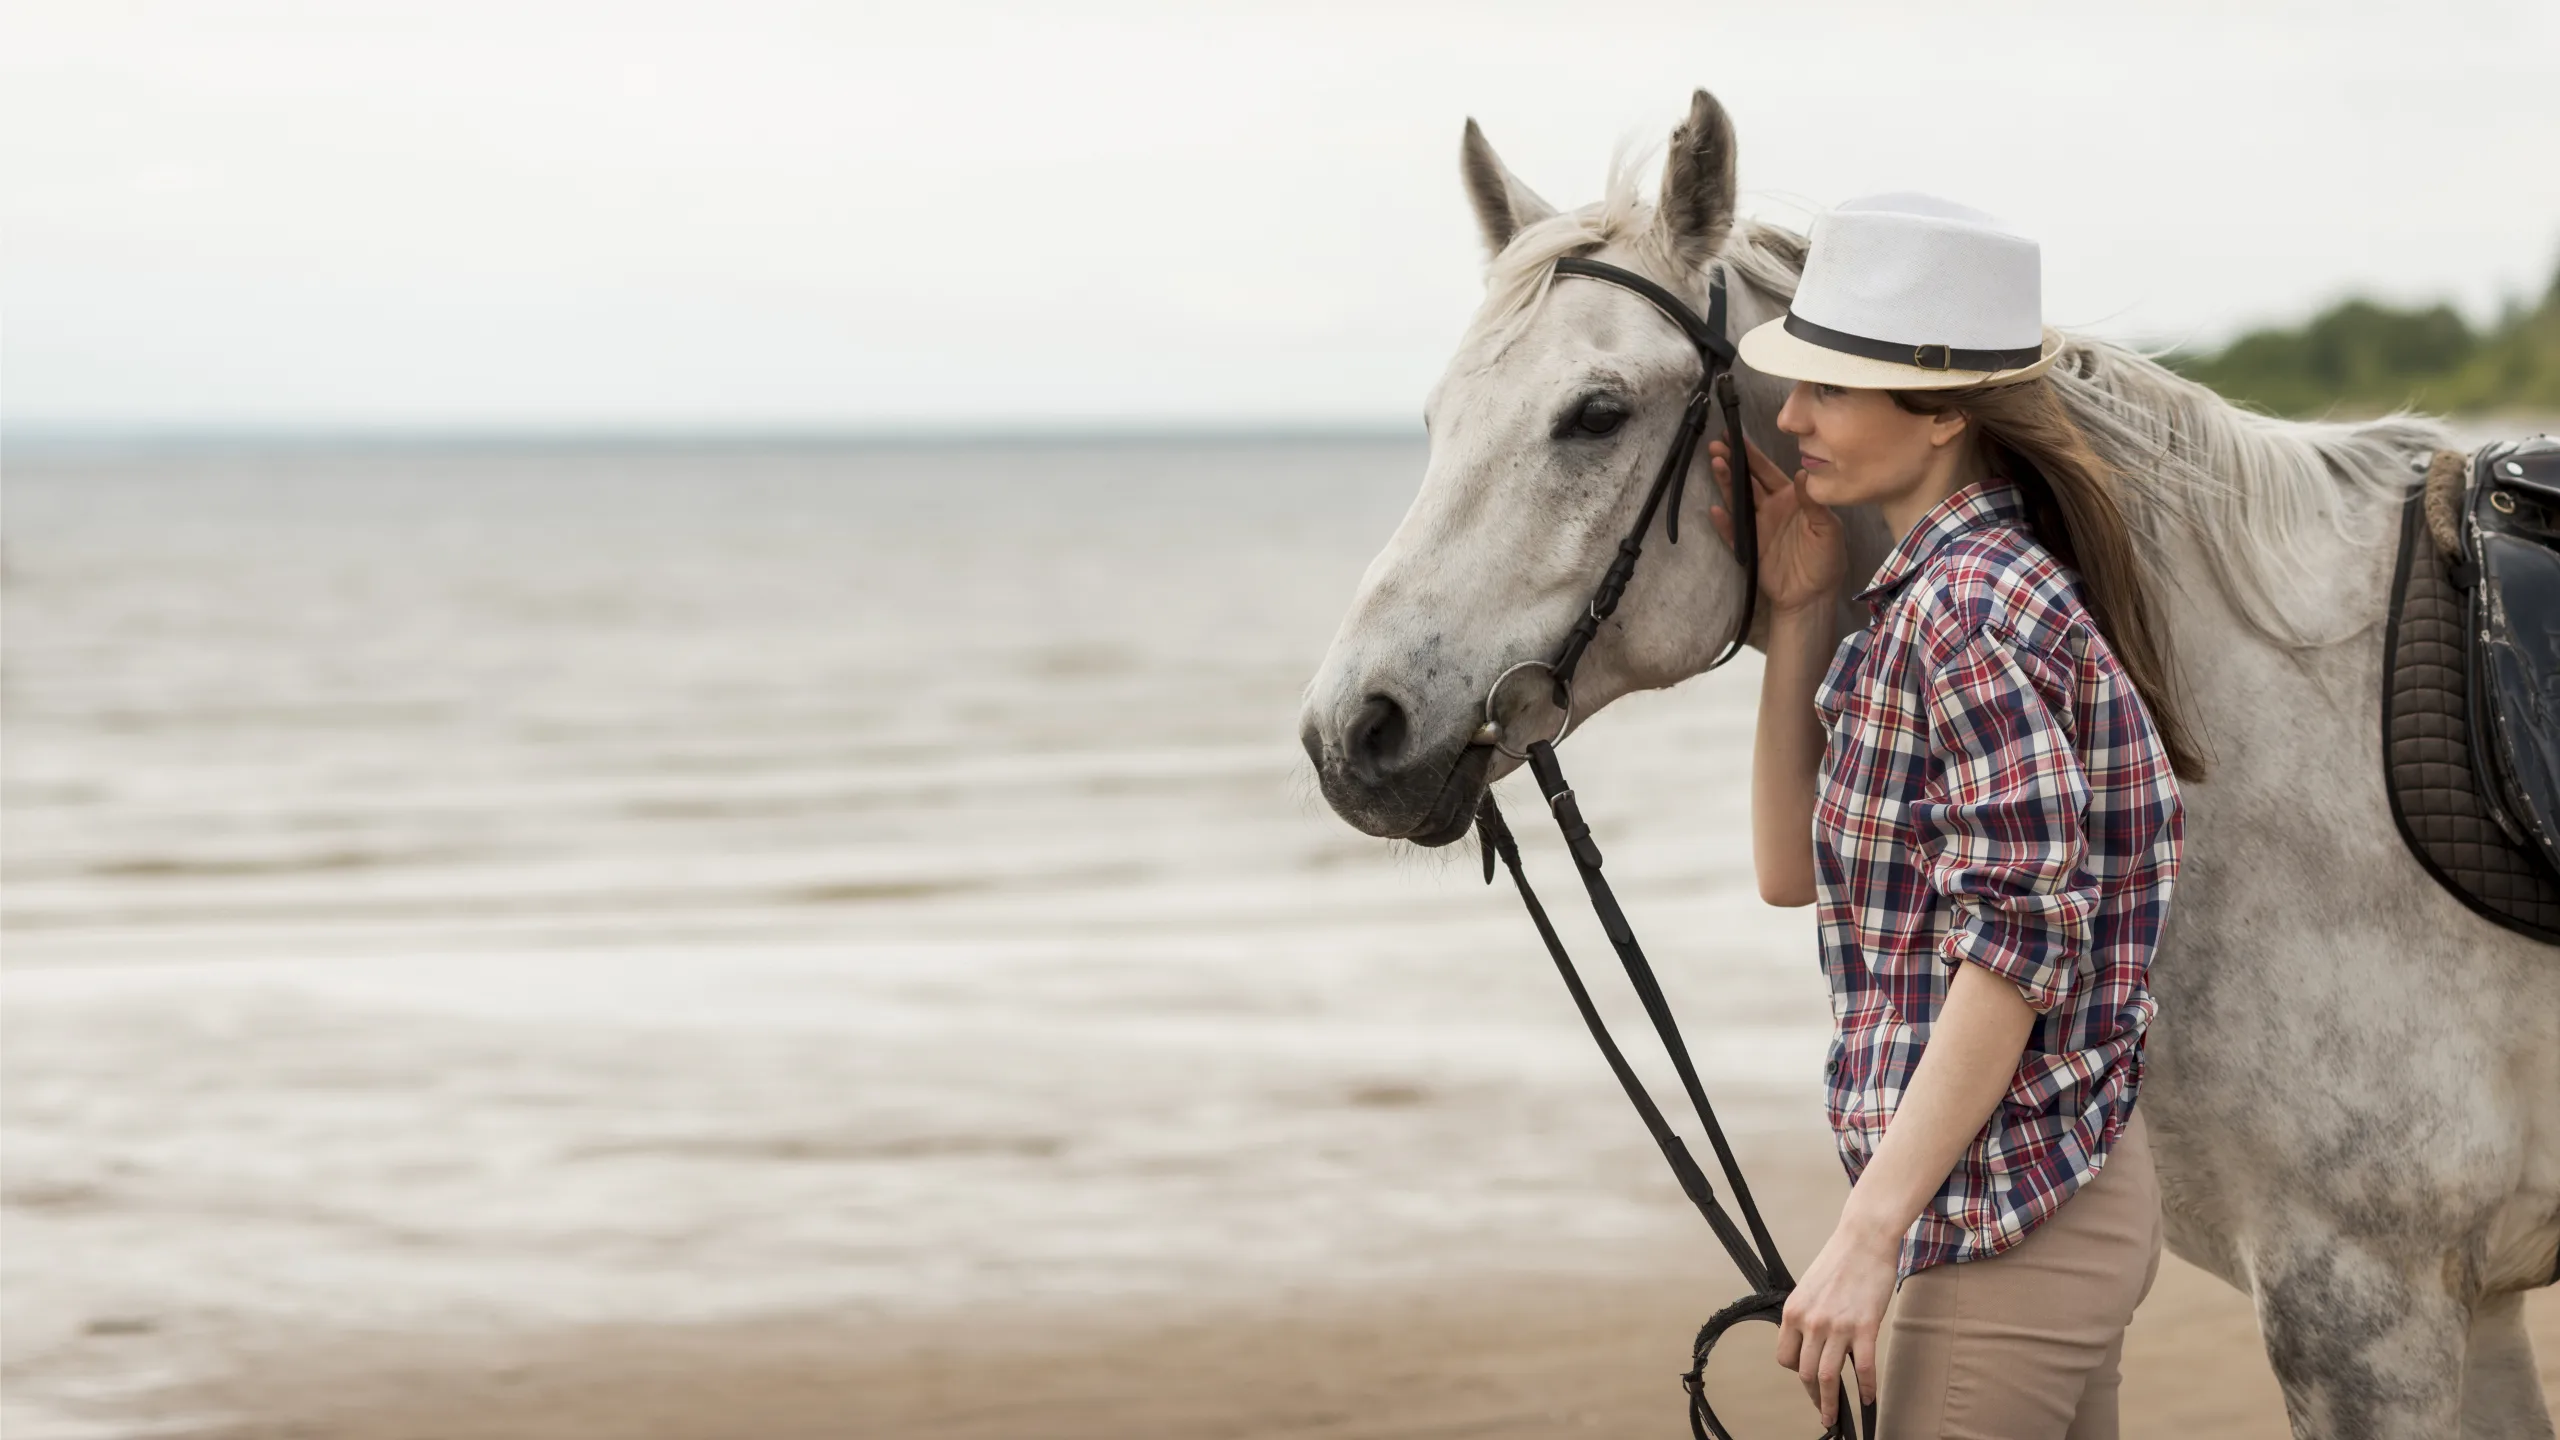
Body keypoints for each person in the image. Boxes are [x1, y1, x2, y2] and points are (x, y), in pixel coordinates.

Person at [1705, 193, 2202, 1440]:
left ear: (1940, 415)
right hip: (2012, 1199)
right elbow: (1786, 870)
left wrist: (1864, 1237)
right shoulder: (1937, 595)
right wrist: (1799, 607)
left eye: (1830, 388)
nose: (1795, 417)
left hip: (2016, 1220)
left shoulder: (1965, 612)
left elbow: (2021, 945)